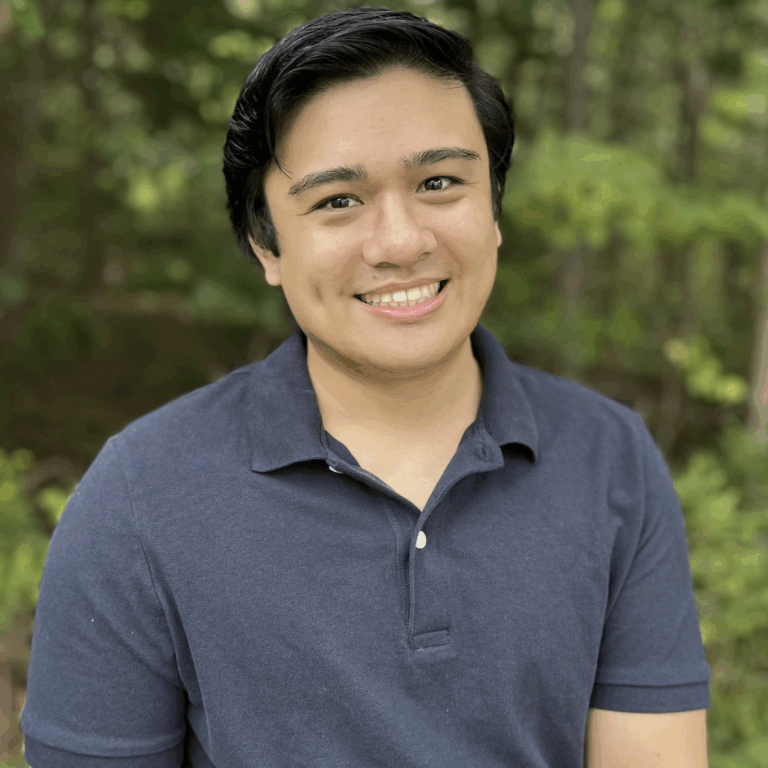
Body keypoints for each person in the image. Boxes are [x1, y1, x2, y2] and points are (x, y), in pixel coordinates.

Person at [21, 6, 711, 767]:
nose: (400, 242)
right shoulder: (140, 497)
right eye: (337, 201)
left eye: (440, 182)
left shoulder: (611, 457)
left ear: (494, 210)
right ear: (266, 246)